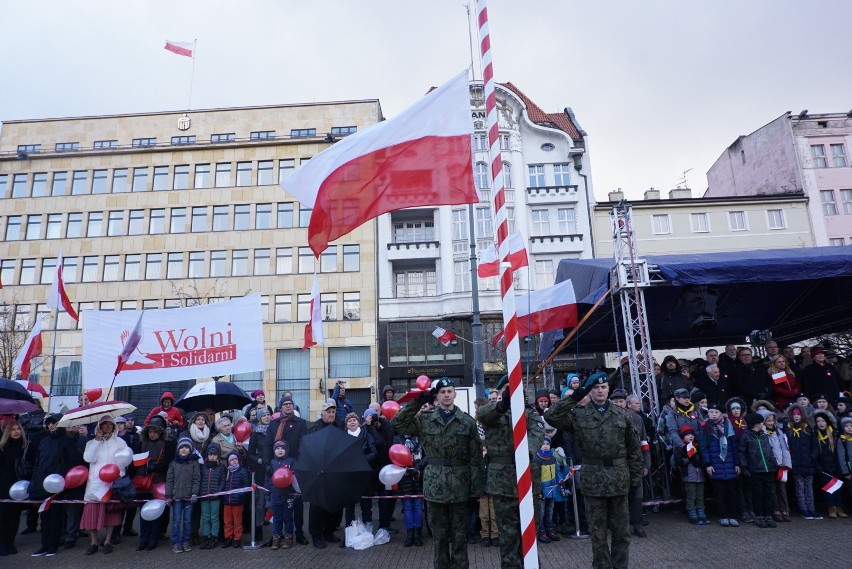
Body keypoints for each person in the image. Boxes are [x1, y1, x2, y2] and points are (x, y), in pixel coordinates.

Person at [546, 372, 642, 569]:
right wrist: (574, 396)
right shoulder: (578, 415)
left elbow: (634, 451)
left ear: (608, 389)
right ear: (590, 390)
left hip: (618, 478)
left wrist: (634, 481)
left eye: (603, 387)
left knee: (621, 533)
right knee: (597, 533)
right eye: (596, 388)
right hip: (593, 480)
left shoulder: (622, 415)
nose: (600, 390)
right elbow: (550, 416)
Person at [393, 377, 483, 569]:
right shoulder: (425, 420)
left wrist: (476, 490)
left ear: (455, 394)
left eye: (449, 391)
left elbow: (476, 458)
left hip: (460, 485)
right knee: (439, 536)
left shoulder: (467, 422)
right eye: (442, 392)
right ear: (436, 396)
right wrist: (417, 401)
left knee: (460, 535)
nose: (446, 395)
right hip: (435, 485)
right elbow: (397, 424)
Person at [477, 377, 544, 568]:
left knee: (530, 533)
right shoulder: (492, 412)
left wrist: (525, 453)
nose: (513, 390)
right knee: (508, 535)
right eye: (508, 388)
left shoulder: (529, 413)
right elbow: (483, 415)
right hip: (502, 483)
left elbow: (537, 433)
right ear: (499, 392)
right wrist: (502, 404)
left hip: (528, 480)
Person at [81, 415, 130, 555]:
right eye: (104, 424)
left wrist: (118, 474)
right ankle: (93, 542)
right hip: (95, 483)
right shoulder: (91, 442)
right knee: (92, 513)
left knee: (110, 514)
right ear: (99, 427)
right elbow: (88, 458)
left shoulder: (120, 442)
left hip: (111, 483)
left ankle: (107, 541)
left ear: (114, 426)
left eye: (110, 424)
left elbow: (125, 460)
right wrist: (97, 441)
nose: (108, 426)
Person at [264, 395, 309, 544]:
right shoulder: (274, 424)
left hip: (294, 468)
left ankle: (299, 533)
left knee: (296, 503)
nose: (288, 406)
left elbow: (304, 445)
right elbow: (267, 445)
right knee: (277, 504)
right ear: (280, 407)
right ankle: (277, 533)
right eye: (285, 404)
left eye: (290, 404)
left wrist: (299, 465)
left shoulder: (301, 423)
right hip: (276, 469)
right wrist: (267, 464)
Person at [29, 414, 74, 557]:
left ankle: (53, 545)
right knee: (44, 516)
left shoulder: (67, 441)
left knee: (56, 516)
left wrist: (61, 476)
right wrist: (34, 481)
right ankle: (44, 544)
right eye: (49, 423)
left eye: (54, 423)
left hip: (56, 484)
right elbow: (38, 462)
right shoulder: (44, 441)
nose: (51, 425)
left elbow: (71, 462)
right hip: (42, 483)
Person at [307, 398, 343, 548]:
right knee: (317, 506)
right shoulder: (314, 429)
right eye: (328, 412)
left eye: (333, 411)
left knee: (334, 506)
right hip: (318, 472)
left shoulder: (340, 427)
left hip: (334, 473)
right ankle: (316, 536)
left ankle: (329, 531)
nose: (331, 414)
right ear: (322, 414)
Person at [699, 402, 741, 527]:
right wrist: (708, 464)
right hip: (715, 464)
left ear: (721, 414)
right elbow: (704, 447)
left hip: (729, 463)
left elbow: (734, 446)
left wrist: (737, 464)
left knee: (731, 492)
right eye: (711, 412)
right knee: (719, 493)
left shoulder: (729, 426)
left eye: (716, 412)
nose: (713, 414)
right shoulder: (705, 427)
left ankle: (732, 515)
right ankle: (723, 516)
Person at [137, 415, 174, 551]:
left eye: (155, 431)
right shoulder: (141, 443)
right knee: (143, 511)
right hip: (143, 481)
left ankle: (154, 539)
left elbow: (168, 461)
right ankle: (143, 539)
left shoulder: (168, 443)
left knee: (157, 511)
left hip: (159, 481)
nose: (152, 434)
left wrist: (154, 467)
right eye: (150, 431)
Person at [341, 412, 377, 541]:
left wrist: (361, 460)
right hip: (349, 476)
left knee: (366, 505)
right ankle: (349, 535)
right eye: (349, 420)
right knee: (349, 507)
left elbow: (373, 452)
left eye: (354, 420)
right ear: (346, 424)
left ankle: (368, 532)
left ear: (358, 422)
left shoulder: (367, 435)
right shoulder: (342, 437)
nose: (352, 422)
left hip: (364, 475)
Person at [738, 413, 778, 528]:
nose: (763, 424)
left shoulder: (764, 435)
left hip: (768, 469)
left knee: (768, 494)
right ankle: (759, 515)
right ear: (756, 424)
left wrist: (773, 463)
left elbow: (768, 451)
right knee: (757, 494)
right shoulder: (746, 436)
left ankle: (768, 515)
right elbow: (742, 453)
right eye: (761, 423)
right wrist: (744, 467)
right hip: (755, 470)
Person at [620, 393, 651, 537]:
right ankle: (623, 525)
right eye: (616, 401)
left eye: (620, 401)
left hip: (636, 463)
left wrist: (646, 464)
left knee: (638, 495)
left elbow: (644, 443)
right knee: (622, 496)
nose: (618, 404)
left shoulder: (638, 419)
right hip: (620, 464)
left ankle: (637, 524)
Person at [783, 403, 820, 519]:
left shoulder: (809, 428)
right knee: (799, 487)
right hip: (795, 463)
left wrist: (812, 457)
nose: (796, 416)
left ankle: (811, 509)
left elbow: (815, 445)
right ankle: (803, 509)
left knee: (809, 488)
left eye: (798, 414)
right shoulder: (788, 429)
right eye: (794, 415)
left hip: (808, 462)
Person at [166, 437, 201, 553]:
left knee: (187, 520)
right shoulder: (173, 463)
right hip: (176, 497)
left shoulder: (194, 463)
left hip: (189, 497)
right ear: (178, 449)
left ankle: (185, 541)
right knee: (176, 521)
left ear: (190, 449)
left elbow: (197, 479)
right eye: (182, 447)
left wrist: (195, 493)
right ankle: (176, 542)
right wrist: (168, 496)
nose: (184, 449)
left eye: (186, 447)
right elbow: (169, 480)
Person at [758, 410, 792, 522]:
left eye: (772, 420)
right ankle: (775, 510)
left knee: (781, 489)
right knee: (771, 489)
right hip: (769, 465)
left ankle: (785, 510)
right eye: (768, 420)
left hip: (780, 464)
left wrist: (786, 463)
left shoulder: (779, 432)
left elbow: (784, 448)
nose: (770, 423)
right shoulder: (761, 433)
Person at [394, 431, 426, 547]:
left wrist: (416, 467)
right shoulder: (397, 439)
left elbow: (427, 456)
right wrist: (405, 467)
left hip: (418, 475)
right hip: (404, 476)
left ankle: (417, 534)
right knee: (407, 506)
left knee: (418, 506)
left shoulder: (420, 437)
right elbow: (393, 455)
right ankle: (409, 534)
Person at [0, 420, 27, 556]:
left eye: (18, 429)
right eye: (12, 429)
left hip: (19, 486)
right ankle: (3, 543)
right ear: (7, 432)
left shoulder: (24, 448)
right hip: (4, 485)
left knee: (15, 517)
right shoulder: (3, 448)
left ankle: (10, 542)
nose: (16, 431)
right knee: (4, 516)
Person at [534, 436, 568, 543]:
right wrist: (539, 490)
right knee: (541, 512)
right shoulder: (537, 459)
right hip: (542, 491)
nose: (545, 446)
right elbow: (536, 477)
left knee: (550, 511)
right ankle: (541, 532)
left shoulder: (553, 458)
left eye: (547, 444)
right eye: (543, 444)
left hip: (553, 490)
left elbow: (557, 471)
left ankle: (550, 530)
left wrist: (561, 479)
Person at [813, 410, 846, 518]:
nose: (821, 423)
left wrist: (839, 466)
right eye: (818, 421)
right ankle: (831, 507)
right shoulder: (815, 435)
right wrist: (818, 465)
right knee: (828, 488)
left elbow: (838, 452)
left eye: (823, 421)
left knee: (837, 487)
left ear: (827, 422)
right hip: (823, 466)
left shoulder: (834, 434)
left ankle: (839, 506)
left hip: (835, 465)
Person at [267, 441, 296, 550]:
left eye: (282, 448)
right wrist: (268, 493)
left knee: (288, 518)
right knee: (277, 518)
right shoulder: (272, 462)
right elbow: (268, 479)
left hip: (288, 494)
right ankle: (276, 537)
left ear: (286, 450)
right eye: (277, 448)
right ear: (274, 451)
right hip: (275, 494)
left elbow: (295, 478)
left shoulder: (291, 461)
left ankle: (288, 537)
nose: (280, 450)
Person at [198, 443, 226, 549]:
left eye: (215, 454)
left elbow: (223, 480)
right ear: (207, 455)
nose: (212, 456)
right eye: (210, 454)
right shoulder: (202, 467)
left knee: (214, 517)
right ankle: (206, 537)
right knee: (206, 518)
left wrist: (219, 490)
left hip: (215, 496)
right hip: (204, 495)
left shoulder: (221, 467)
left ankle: (214, 537)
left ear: (218, 456)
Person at [222, 451, 249, 547]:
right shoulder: (226, 472)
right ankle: (228, 537)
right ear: (228, 462)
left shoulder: (242, 471)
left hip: (238, 501)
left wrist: (240, 495)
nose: (234, 461)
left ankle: (237, 538)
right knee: (227, 521)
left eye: (235, 459)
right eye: (232, 460)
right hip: (227, 501)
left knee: (238, 521)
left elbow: (246, 485)